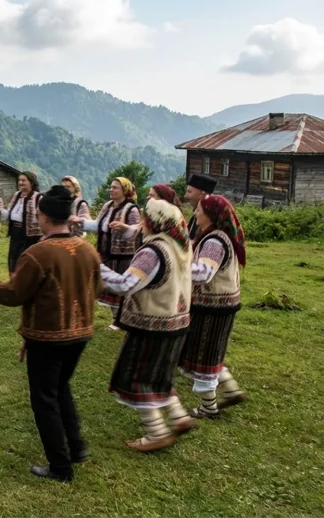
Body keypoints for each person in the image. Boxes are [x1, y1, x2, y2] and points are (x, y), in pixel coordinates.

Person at [0, 186, 102, 483]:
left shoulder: (37, 254)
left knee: (44, 399)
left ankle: (60, 467)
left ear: (43, 216)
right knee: (60, 389)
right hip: (81, 333)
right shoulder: (88, 250)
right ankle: (77, 448)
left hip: (47, 337)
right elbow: (98, 289)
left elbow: (12, 294)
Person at [99, 199, 196, 452]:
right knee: (159, 376)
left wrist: (95, 266)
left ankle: (156, 433)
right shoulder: (180, 247)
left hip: (152, 326)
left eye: (144, 218)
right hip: (176, 323)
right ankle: (179, 416)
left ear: (152, 222)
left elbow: (124, 285)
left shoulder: (152, 252)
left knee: (136, 378)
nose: (141, 224)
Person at [180, 194, 248, 418]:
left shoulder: (214, 241)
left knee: (203, 356)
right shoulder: (214, 237)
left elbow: (204, 273)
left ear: (210, 215)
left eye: (198, 210)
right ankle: (230, 389)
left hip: (212, 308)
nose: (195, 213)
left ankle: (209, 407)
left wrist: (176, 268)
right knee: (209, 352)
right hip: (218, 305)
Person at [71, 177, 141, 329]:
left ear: (125, 191)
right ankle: (115, 318)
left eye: (115, 187)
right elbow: (99, 226)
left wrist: (124, 228)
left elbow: (138, 230)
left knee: (119, 289)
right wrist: (80, 222)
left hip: (122, 256)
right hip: (105, 253)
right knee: (105, 286)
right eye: (111, 187)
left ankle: (119, 320)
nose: (111, 189)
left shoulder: (131, 209)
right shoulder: (107, 206)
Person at [2, 171, 43, 277]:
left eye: (24, 180)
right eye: (19, 180)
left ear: (31, 183)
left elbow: (42, 217)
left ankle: (25, 285)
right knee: (13, 261)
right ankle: (13, 284)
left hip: (30, 236)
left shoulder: (38, 197)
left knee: (25, 261)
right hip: (16, 233)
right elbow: (9, 213)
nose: (20, 183)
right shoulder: (17, 195)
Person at [184, 174, 217, 243]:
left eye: (189, 192)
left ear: (203, 195)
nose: (185, 196)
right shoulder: (196, 216)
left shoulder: (210, 220)